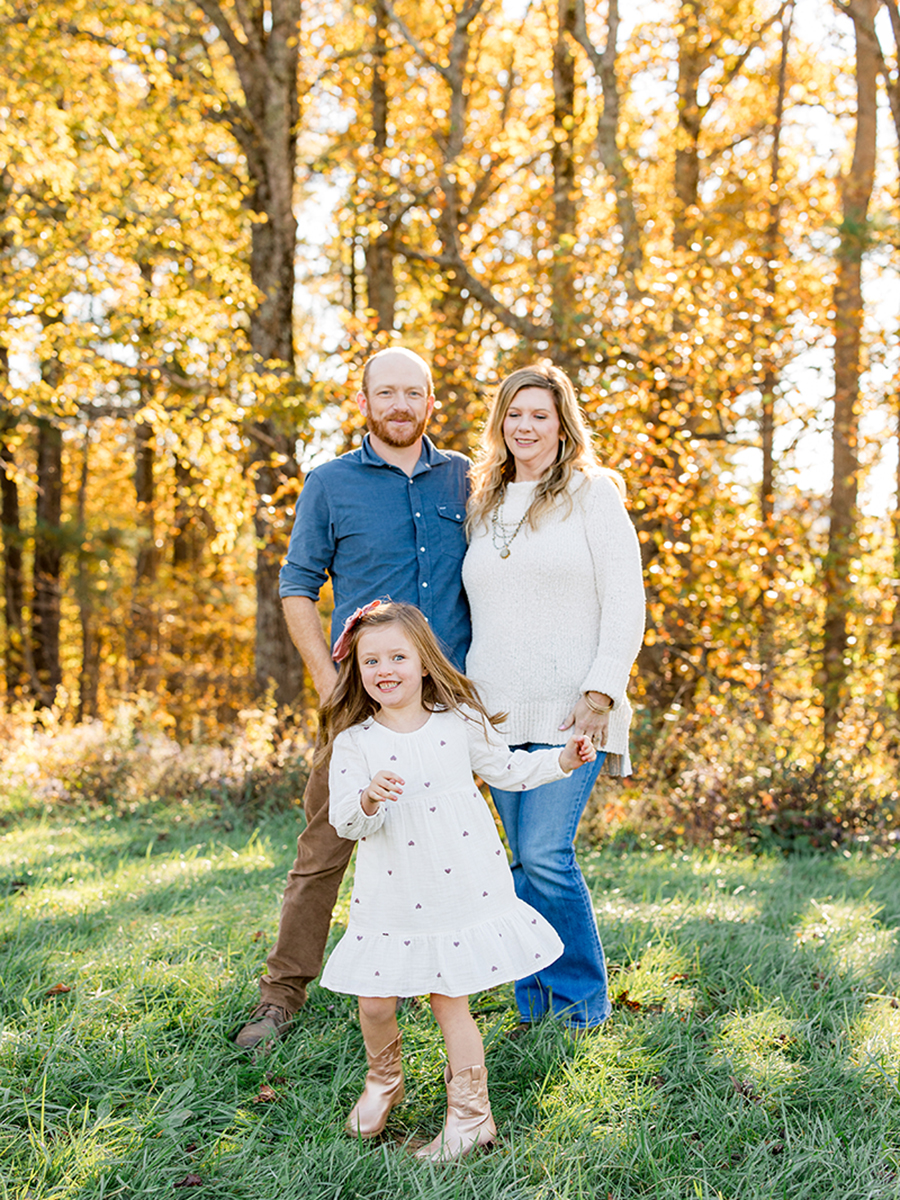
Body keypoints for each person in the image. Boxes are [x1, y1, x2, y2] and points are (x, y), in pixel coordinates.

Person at [235, 347, 471, 1050]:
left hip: (451, 701)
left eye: (414, 394)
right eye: (386, 393)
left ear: (432, 402)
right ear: (363, 401)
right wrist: (329, 682)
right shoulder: (331, 482)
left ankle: (467, 979)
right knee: (326, 843)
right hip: (361, 701)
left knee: (462, 844)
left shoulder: (467, 478)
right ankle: (281, 995)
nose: (400, 406)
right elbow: (296, 585)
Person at [317, 600, 595, 1159]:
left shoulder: (458, 724)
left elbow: (510, 772)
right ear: (358, 670)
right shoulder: (355, 743)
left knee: (450, 1000)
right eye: (371, 660)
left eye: (398, 655)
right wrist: (369, 797)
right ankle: (383, 1082)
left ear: (425, 661)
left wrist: (561, 761)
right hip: (391, 890)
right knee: (373, 999)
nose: (384, 669)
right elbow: (344, 819)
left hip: (456, 882)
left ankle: (472, 1115)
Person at [462, 361, 645, 1033]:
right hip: (494, 713)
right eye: (514, 413)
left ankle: (582, 1007)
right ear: (499, 422)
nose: (525, 426)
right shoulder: (484, 500)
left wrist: (601, 692)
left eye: (540, 414)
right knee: (517, 863)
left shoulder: (594, 494)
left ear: (562, 424)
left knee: (545, 855)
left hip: (573, 708)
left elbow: (626, 599)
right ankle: (535, 1003)